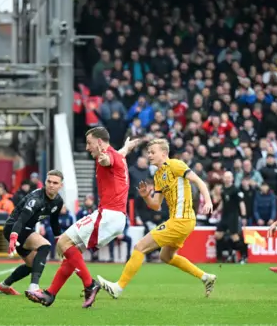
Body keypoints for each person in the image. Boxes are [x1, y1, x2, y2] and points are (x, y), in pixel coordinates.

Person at [25, 128, 141, 308]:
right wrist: (127, 146)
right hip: (116, 217)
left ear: (100, 143)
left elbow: (106, 160)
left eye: (89, 143)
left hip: (108, 215)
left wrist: (103, 158)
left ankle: (89, 284)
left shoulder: (107, 157)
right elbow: (118, 155)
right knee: (72, 253)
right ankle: (50, 294)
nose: (87, 148)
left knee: (63, 242)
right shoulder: (119, 156)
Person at [97, 138, 217, 299]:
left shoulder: (176, 165)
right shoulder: (159, 175)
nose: (150, 155)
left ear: (164, 153)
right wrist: (146, 196)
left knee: (140, 246)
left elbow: (198, 181)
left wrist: (208, 201)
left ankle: (118, 287)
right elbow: (156, 205)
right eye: (148, 153)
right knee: (165, 256)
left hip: (182, 220)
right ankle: (206, 277)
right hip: (179, 221)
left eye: (153, 152)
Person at [0, 170, 65, 295]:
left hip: (26, 230)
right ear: (45, 182)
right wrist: (13, 237)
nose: (51, 185)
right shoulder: (36, 199)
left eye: (55, 183)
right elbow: (21, 220)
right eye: (49, 181)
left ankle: (4, 286)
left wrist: (59, 241)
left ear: (61, 186)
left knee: (33, 265)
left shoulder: (58, 201)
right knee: (45, 246)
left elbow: (54, 222)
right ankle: (34, 287)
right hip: (14, 228)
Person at [217, 171, 248, 263]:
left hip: (233, 216)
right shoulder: (222, 189)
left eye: (229, 177)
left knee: (235, 237)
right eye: (225, 177)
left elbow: (242, 203)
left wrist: (244, 216)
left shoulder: (236, 190)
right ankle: (222, 255)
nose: (227, 179)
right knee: (218, 235)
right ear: (223, 178)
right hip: (224, 216)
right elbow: (223, 202)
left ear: (232, 179)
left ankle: (244, 255)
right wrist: (216, 210)